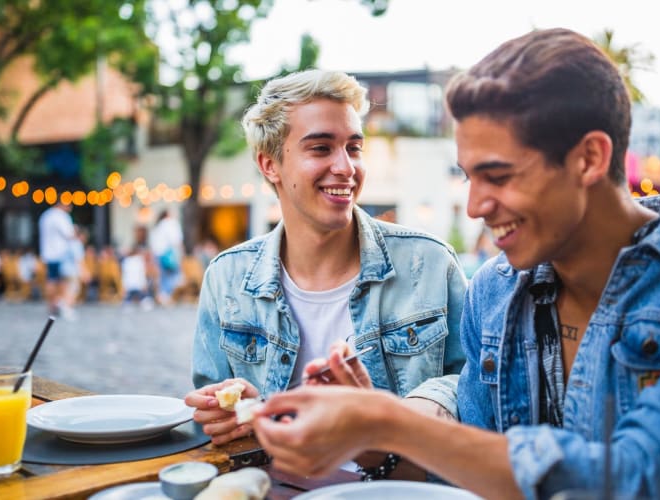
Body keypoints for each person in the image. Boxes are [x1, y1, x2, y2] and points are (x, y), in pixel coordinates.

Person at [251, 28, 660, 499]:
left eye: (499, 176)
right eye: (468, 176)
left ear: (590, 159)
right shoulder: (495, 289)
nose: (475, 206)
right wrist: (369, 439)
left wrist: (389, 421)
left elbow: (654, 478)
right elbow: (471, 477)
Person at [184, 69, 467, 448]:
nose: (346, 167)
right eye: (321, 148)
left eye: (353, 147)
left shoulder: (429, 263)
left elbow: (473, 386)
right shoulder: (227, 277)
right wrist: (239, 414)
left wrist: (397, 416)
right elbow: (215, 409)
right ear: (270, 164)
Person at [38, 202, 75, 316]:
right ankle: (63, 306)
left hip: (48, 254)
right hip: (61, 254)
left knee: (51, 280)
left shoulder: (45, 215)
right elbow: (69, 234)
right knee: (65, 281)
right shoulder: (61, 216)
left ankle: (52, 306)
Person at [150, 209, 184, 306]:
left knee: (163, 277)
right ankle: (167, 297)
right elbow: (176, 240)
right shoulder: (171, 223)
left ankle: (162, 296)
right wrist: (181, 253)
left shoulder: (158, 225)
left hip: (159, 254)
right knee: (172, 277)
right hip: (169, 255)